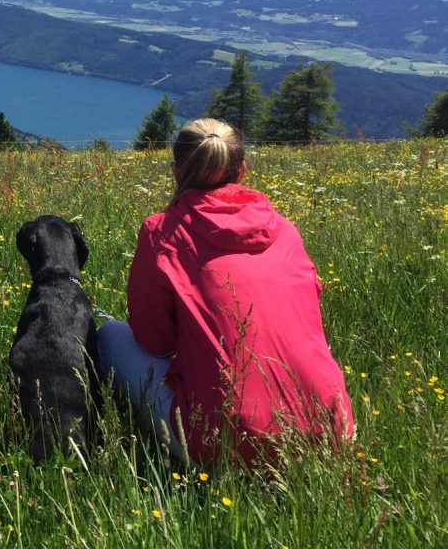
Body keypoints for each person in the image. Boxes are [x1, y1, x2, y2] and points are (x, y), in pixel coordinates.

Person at [96, 118, 354, 467]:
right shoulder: (284, 229)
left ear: (176, 172)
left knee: (108, 336)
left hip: (225, 443)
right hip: (329, 430)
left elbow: (153, 343)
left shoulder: (163, 232)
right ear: (243, 170)